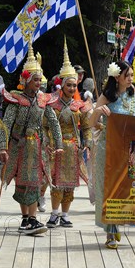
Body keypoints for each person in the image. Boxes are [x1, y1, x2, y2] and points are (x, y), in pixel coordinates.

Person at [0, 46, 63, 235]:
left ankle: (32, 219)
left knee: (35, 180)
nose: (38, 83)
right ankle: (26, 219)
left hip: (37, 146)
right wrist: (3, 147)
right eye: (35, 79)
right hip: (19, 146)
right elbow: (6, 124)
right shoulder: (16, 99)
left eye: (39, 79)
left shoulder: (44, 100)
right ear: (26, 80)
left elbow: (53, 122)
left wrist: (58, 144)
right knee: (22, 181)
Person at [89, 60, 135, 249]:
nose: (131, 79)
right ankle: (110, 231)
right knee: (108, 189)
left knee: (125, 188)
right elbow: (92, 122)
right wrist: (98, 111)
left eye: (132, 75)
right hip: (107, 149)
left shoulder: (134, 96)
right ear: (117, 77)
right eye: (128, 75)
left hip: (129, 150)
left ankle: (119, 221)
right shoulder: (107, 97)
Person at [45, 43, 92, 229]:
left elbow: (87, 127)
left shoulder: (79, 106)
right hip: (56, 148)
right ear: (62, 85)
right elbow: (45, 126)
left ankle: (65, 215)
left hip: (73, 148)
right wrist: (48, 142)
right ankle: (54, 213)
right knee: (56, 183)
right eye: (69, 85)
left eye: (74, 85)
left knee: (70, 184)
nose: (72, 88)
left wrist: (87, 142)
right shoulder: (52, 104)